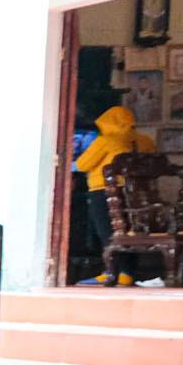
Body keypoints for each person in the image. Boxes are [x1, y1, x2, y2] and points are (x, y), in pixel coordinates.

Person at [71, 106, 156, 286]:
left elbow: (83, 164)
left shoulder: (106, 140)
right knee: (131, 233)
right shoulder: (145, 141)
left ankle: (112, 271)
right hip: (135, 194)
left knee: (108, 233)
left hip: (104, 192)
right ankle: (128, 273)